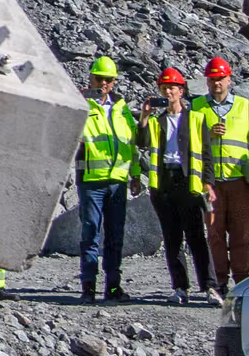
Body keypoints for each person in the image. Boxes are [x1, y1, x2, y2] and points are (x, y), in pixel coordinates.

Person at [193, 56, 249, 298]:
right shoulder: (197, 107)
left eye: (221, 78)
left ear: (229, 79)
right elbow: (189, 140)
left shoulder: (244, 106)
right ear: (207, 81)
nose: (217, 83)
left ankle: (242, 281)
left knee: (240, 233)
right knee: (215, 233)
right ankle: (219, 282)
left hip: (239, 181)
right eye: (213, 79)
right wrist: (208, 133)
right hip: (211, 182)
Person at [141, 66, 213, 302]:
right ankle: (180, 287)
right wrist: (144, 116)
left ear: (181, 91)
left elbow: (206, 152)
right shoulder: (155, 121)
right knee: (172, 239)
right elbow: (140, 141)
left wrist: (208, 184)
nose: (168, 92)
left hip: (188, 182)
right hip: (164, 184)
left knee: (196, 237)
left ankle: (209, 286)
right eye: (164, 88)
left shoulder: (195, 118)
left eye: (172, 88)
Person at [76, 55, 139, 304]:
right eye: (99, 78)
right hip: (91, 180)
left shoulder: (122, 109)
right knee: (90, 234)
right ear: (91, 78)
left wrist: (135, 175)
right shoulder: (82, 106)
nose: (103, 83)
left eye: (108, 79)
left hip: (117, 181)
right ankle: (88, 287)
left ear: (114, 82)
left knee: (115, 235)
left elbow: (131, 144)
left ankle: (113, 286)